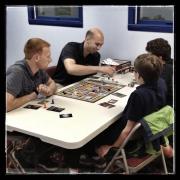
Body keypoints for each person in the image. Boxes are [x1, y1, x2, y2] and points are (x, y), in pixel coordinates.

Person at [79, 53, 173, 168]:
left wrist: (112, 148)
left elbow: (127, 130)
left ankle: (94, 157)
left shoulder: (138, 95)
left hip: (132, 134)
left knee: (94, 130)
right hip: (148, 129)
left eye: (135, 71)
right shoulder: (161, 82)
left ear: (138, 75)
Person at [6, 38, 57, 112]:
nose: (50, 60)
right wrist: (32, 96)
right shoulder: (17, 71)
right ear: (36, 58)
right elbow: (7, 105)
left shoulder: (39, 69)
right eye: (48, 57)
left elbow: (52, 83)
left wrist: (49, 90)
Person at [145, 38, 173, 107]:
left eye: (150, 56)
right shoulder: (170, 62)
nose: (148, 58)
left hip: (164, 111)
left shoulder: (163, 73)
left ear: (159, 58)